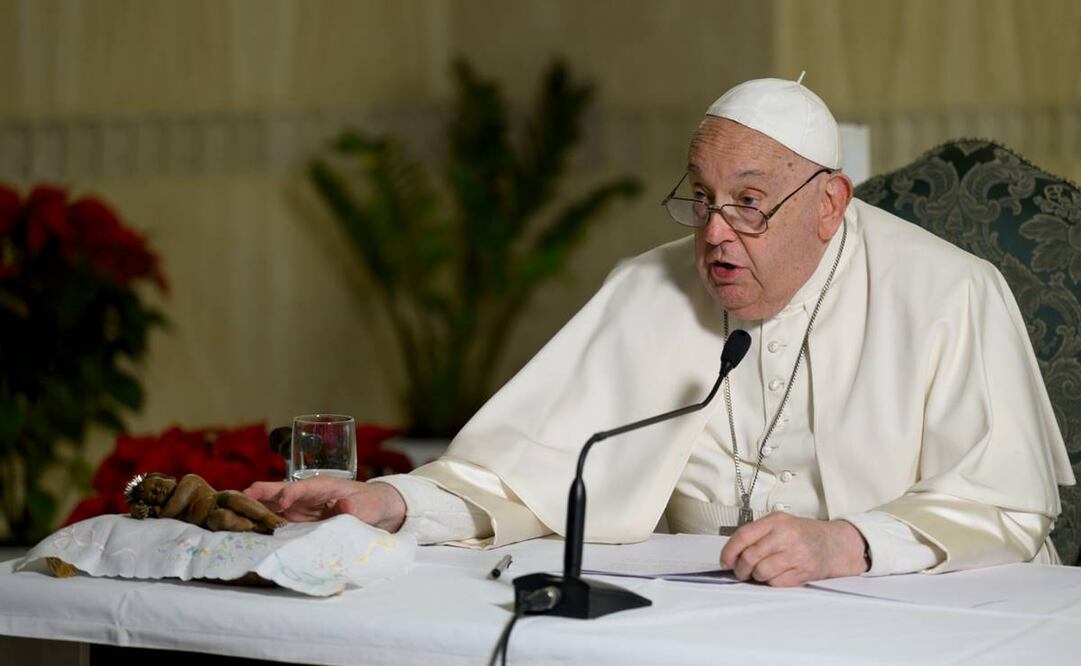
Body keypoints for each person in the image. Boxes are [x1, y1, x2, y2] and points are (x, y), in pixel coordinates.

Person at [246, 77, 1075, 587]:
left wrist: (846, 544)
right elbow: (527, 474)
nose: (714, 233)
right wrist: (389, 502)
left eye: (748, 202)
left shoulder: (947, 292)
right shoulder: (648, 286)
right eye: (703, 198)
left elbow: (1002, 506)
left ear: (829, 205)